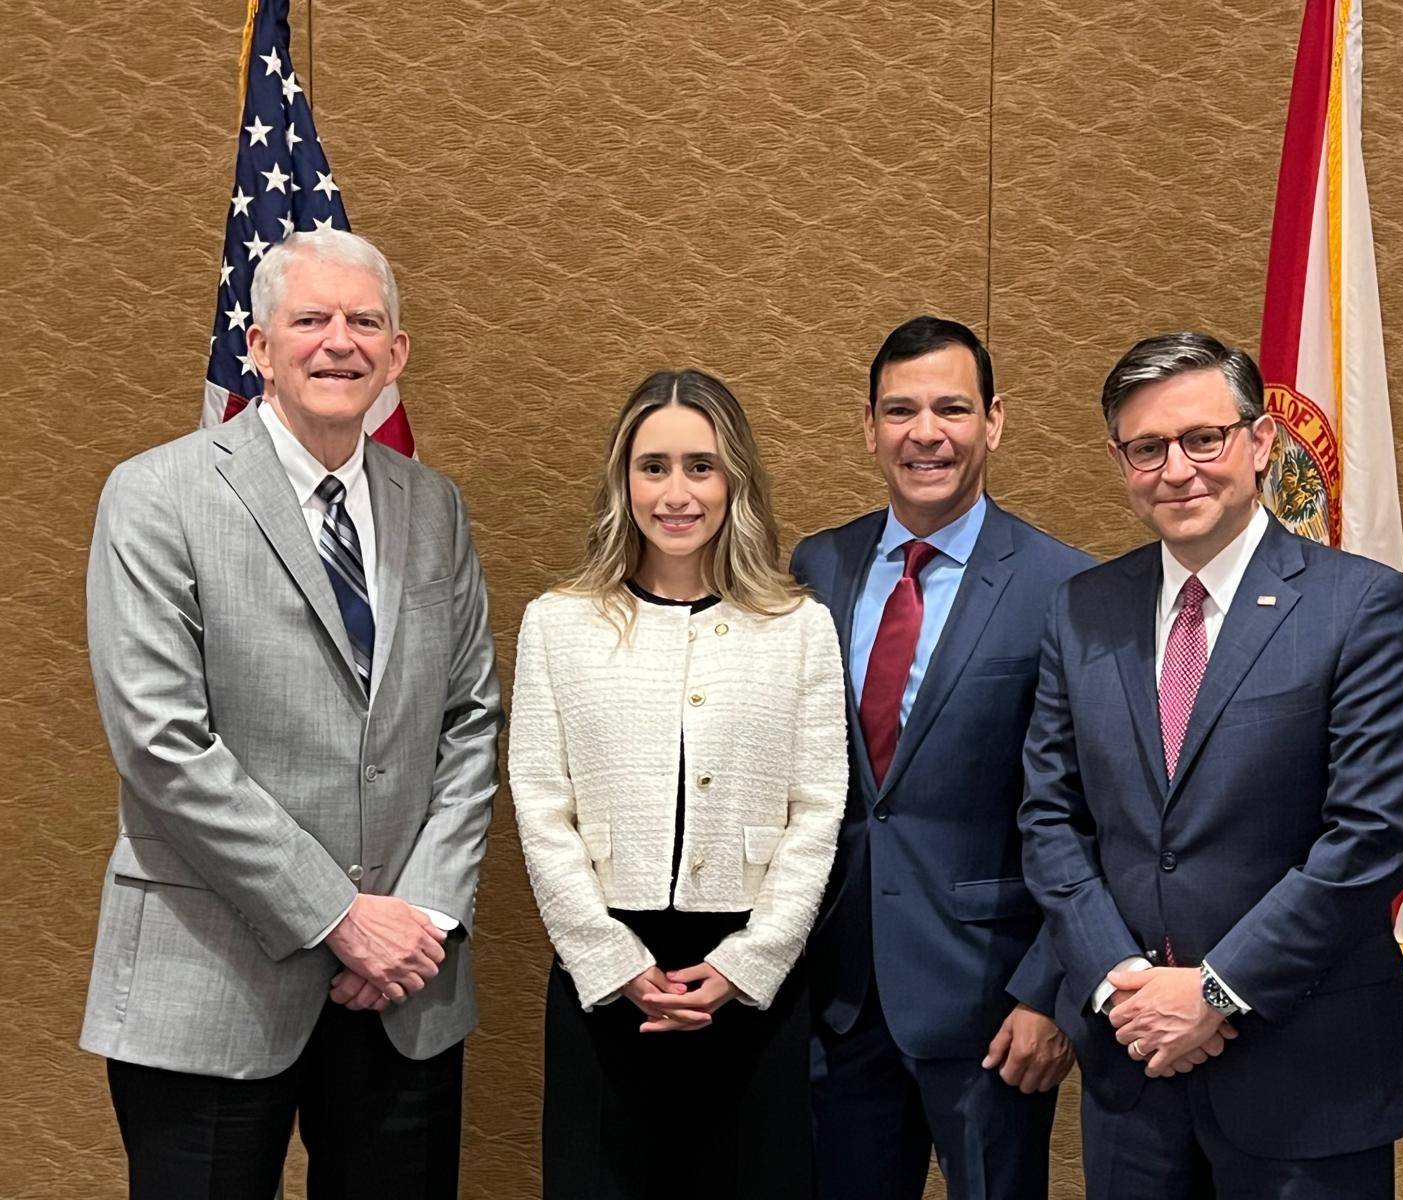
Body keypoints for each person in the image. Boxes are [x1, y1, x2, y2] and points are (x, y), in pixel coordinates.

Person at [80, 229, 503, 1199]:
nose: (338, 342)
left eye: (365, 322)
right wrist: (337, 918)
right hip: (210, 982)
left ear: (396, 353)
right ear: (260, 347)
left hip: (405, 985)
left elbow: (472, 720)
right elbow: (161, 741)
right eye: (309, 320)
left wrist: (420, 920)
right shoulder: (156, 495)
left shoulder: (434, 507)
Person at [1019, 332, 1403, 1198]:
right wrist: (1121, 984)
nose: (1178, 469)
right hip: (1133, 1073)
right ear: (1120, 461)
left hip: (1306, 1078)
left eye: (1202, 438)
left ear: (1259, 443)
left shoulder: (1361, 607)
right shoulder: (1081, 611)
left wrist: (1215, 992)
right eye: (1148, 448)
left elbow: (1370, 838)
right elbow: (1050, 820)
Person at [508, 369, 846, 1199]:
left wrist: (748, 963)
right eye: (652, 466)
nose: (676, 492)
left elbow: (818, 811)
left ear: (736, 479)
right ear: (623, 481)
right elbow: (541, 806)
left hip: (751, 985)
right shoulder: (559, 622)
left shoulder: (797, 627)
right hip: (605, 981)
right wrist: (609, 958)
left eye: (702, 465)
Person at [790, 316, 1094, 1200]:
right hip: (838, 1000)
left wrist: (1049, 992)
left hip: (992, 1007)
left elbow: (1086, 811)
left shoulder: (1063, 587)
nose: (927, 433)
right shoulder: (819, 565)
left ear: (994, 421)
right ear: (870, 426)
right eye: (901, 410)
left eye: (952, 409)